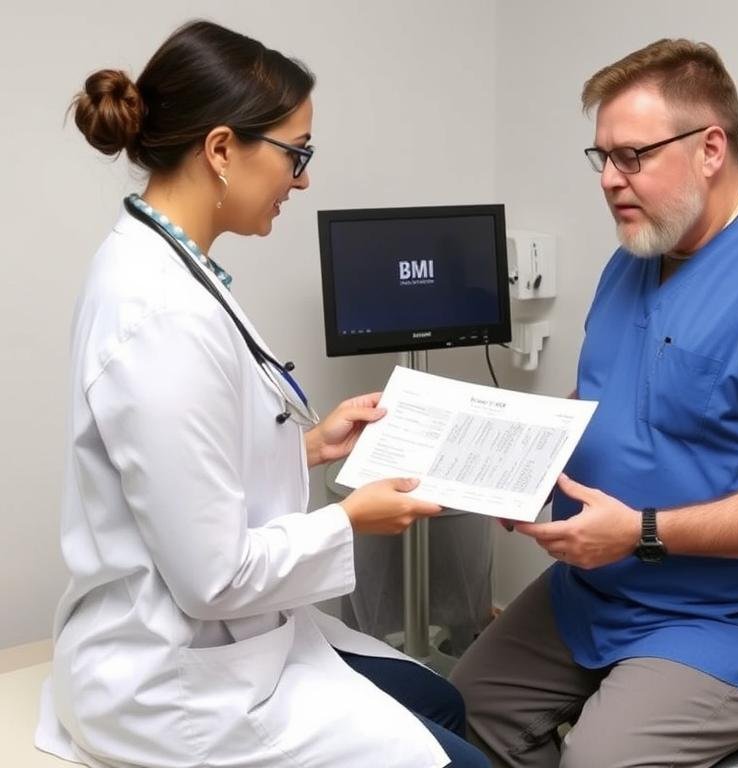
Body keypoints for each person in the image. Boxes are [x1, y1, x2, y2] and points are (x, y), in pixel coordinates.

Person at [35, 19, 489, 768]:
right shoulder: (160, 316)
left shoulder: (172, 264)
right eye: (295, 154)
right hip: (174, 681)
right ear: (221, 150)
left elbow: (186, 463)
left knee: (440, 699)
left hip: (228, 637)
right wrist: (351, 520)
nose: (302, 180)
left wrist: (307, 446)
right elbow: (214, 579)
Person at [451, 38, 738, 768]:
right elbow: (611, 394)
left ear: (711, 148)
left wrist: (641, 532)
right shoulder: (638, 256)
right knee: (462, 710)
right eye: (601, 158)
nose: (609, 180)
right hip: (608, 587)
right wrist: (529, 460)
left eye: (632, 156)